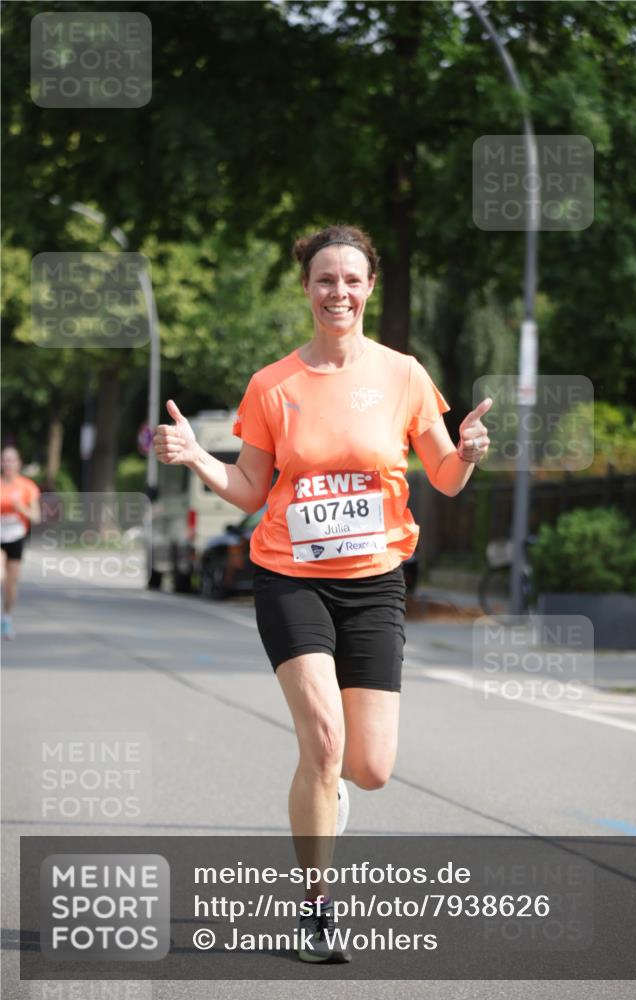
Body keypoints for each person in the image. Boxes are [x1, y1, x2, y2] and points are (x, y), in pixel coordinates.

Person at [153, 224, 491, 963]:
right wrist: (198, 458)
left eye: (351, 280)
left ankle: (327, 786)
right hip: (290, 577)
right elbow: (250, 489)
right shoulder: (272, 385)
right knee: (324, 741)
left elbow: (443, 477)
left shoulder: (403, 374)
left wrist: (465, 452)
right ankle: (316, 910)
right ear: (306, 288)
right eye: (324, 279)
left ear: (369, 287)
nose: (338, 292)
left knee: (369, 768)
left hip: (374, 584)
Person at [1, 446, 41, 640]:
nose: (8, 464)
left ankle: (6, 619)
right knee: (0, 575)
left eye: (11, 460)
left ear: (19, 463)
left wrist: (21, 508)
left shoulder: (27, 487)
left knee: (11, 583)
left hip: (16, 536)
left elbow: (36, 517)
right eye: (5, 460)